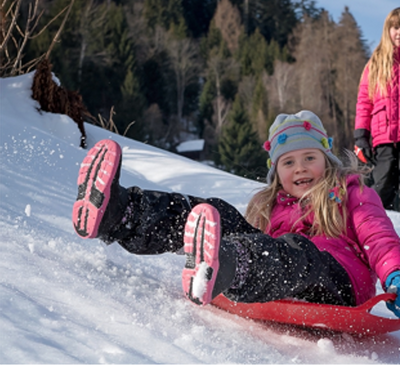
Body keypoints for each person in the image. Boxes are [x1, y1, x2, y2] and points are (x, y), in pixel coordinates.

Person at [72, 110, 400, 317]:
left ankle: (227, 265)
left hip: (337, 282)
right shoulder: (272, 205)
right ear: (276, 172)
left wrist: (396, 276)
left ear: (326, 160)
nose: (300, 168)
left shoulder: (351, 192)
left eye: (309, 158)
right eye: (288, 162)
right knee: (216, 212)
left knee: (297, 254)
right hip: (279, 273)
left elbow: (379, 238)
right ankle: (121, 213)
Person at [354, 8, 400, 210]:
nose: (399, 32)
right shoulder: (376, 64)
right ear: (387, 30)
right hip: (384, 140)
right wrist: (361, 137)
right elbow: (364, 102)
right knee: (382, 185)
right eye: (396, 27)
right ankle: (375, 223)